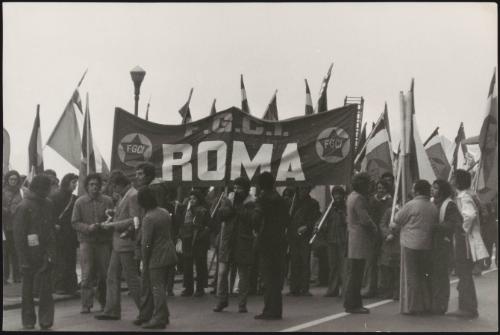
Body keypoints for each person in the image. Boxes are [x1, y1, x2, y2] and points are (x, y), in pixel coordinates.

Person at [95, 171, 141, 320]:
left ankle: (146, 310)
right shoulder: (126, 195)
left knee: (131, 279)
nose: (114, 190)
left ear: (121, 184)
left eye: (114, 187)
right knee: (112, 277)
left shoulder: (133, 195)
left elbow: (135, 220)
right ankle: (112, 310)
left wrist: (112, 225)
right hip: (119, 243)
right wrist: (114, 213)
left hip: (126, 242)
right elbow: (126, 215)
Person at [13, 175, 56, 330]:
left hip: (44, 253)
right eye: (48, 188)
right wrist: (23, 260)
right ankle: (28, 320)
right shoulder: (23, 206)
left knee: (46, 289)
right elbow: (18, 237)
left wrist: (51, 253)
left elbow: (51, 231)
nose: (50, 191)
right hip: (29, 255)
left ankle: (46, 320)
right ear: (39, 189)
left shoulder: (48, 204)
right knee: (28, 290)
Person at [391, 180, 437, 315]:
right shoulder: (432, 206)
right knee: (424, 275)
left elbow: (398, 219)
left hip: (410, 244)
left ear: (417, 191)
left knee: (412, 276)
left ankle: (413, 306)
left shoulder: (411, 205)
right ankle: (426, 304)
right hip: (427, 244)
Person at [133, 187, 177, 329]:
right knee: (158, 287)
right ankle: (150, 314)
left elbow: (146, 243)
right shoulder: (164, 212)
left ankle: (159, 317)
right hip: (169, 253)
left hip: (156, 257)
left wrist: (144, 260)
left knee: (155, 288)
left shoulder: (148, 218)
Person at [447, 169, 488, 319]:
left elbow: (469, 215)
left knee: (464, 273)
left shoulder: (464, 197)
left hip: (465, 241)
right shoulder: (464, 196)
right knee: (464, 274)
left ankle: (467, 308)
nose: (450, 180)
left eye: (453, 178)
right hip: (464, 240)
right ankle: (466, 306)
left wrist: (462, 229)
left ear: (457, 181)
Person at [72, 173, 114, 314]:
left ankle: (104, 302)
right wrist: (87, 228)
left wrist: (107, 224)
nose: (95, 187)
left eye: (97, 184)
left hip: (103, 241)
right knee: (87, 273)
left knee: (104, 274)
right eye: (91, 184)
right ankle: (86, 304)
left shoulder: (108, 200)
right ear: (86, 186)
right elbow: (74, 222)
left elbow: (113, 217)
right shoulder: (80, 202)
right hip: (87, 242)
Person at [213, 177, 256, 313]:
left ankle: (242, 304)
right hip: (227, 240)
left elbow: (251, 219)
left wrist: (239, 209)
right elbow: (220, 215)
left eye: (239, 188)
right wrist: (231, 207)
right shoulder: (228, 199)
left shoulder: (252, 202)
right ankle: (222, 300)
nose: (236, 191)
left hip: (243, 241)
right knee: (222, 272)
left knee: (243, 274)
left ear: (246, 189)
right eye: (235, 188)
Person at [253, 172, 290, 320]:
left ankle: (269, 309)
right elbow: (287, 220)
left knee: (267, 277)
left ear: (261, 185)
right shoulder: (281, 200)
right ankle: (276, 309)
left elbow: (256, 218)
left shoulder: (262, 200)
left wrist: (255, 229)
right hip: (280, 240)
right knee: (276, 277)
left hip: (266, 240)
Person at [344, 173, 378, 314]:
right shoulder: (359, 198)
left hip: (353, 237)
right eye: (368, 183)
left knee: (354, 273)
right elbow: (364, 219)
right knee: (357, 273)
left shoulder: (352, 196)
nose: (370, 186)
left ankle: (352, 303)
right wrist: (374, 228)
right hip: (359, 238)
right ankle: (353, 304)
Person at [430, 179, 461, 315]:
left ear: (442, 190)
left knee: (441, 275)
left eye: (436, 188)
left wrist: (435, 227)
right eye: (432, 187)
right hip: (431, 244)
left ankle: (441, 305)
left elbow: (454, 223)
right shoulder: (432, 202)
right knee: (433, 275)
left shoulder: (449, 205)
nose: (432, 190)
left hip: (443, 244)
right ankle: (433, 303)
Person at [287, 186, 321, 297]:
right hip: (293, 235)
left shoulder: (313, 203)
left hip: (305, 235)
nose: (303, 191)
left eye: (305, 189)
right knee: (294, 261)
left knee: (305, 261)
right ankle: (294, 287)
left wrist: (307, 226)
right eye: (301, 189)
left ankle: (304, 288)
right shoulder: (292, 202)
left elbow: (316, 218)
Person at [49, 173, 79, 295]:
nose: (75, 185)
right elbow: (50, 214)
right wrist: (54, 224)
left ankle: (69, 286)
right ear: (67, 182)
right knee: (61, 259)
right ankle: (61, 285)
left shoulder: (74, 198)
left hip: (69, 232)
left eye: (76, 182)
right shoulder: (55, 197)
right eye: (73, 182)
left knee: (70, 259)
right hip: (60, 232)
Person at [177, 189, 211, 297]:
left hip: (199, 241)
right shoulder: (186, 211)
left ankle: (200, 288)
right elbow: (182, 224)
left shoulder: (203, 211)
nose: (192, 201)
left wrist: (201, 235)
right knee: (187, 265)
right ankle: (188, 288)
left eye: (194, 199)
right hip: (187, 239)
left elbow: (208, 226)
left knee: (200, 264)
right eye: (190, 198)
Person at [362, 180, 392, 298]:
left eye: (383, 188)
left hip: (385, 234)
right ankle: (370, 288)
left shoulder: (390, 201)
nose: (381, 190)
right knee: (371, 262)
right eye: (379, 188)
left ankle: (384, 288)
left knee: (385, 263)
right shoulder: (371, 200)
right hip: (373, 234)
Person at [319, 186, 347, 297]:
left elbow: (347, 220)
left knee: (344, 266)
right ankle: (332, 289)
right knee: (333, 266)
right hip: (331, 240)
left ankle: (345, 290)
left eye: (339, 194)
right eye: (335, 194)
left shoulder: (345, 207)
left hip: (343, 239)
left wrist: (341, 213)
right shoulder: (329, 208)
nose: (338, 196)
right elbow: (322, 220)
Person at [2, 170, 23, 284]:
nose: (13, 181)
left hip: (17, 226)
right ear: (7, 180)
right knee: (5, 252)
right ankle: (4, 277)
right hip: (5, 226)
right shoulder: (3, 192)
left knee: (16, 252)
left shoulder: (22, 192)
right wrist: (8, 210)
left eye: (15, 179)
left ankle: (17, 276)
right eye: (11, 179)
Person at [378, 206, 400, 300]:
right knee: (386, 267)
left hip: (399, 242)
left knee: (397, 268)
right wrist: (388, 233)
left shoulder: (406, 210)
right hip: (388, 242)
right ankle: (388, 291)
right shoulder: (389, 210)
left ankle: (397, 291)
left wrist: (395, 230)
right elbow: (382, 224)